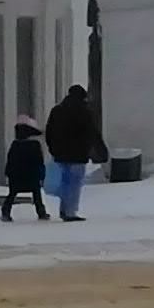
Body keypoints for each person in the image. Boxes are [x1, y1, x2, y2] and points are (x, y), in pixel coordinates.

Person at [43, 84, 105, 223]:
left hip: (60, 154)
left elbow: (49, 131)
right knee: (74, 183)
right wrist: (97, 149)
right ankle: (70, 212)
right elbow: (92, 132)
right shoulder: (84, 112)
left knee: (64, 182)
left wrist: (52, 148)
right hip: (79, 154)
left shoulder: (57, 110)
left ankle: (64, 209)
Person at [0, 115, 49, 222]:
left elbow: (11, 160)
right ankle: (41, 212)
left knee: (12, 194)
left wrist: (8, 172)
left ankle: (6, 212)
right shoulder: (35, 145)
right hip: (32, 175)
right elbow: (39, 161)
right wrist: (41, 174)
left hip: (16, 176)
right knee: (36, 194)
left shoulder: (15, 144)